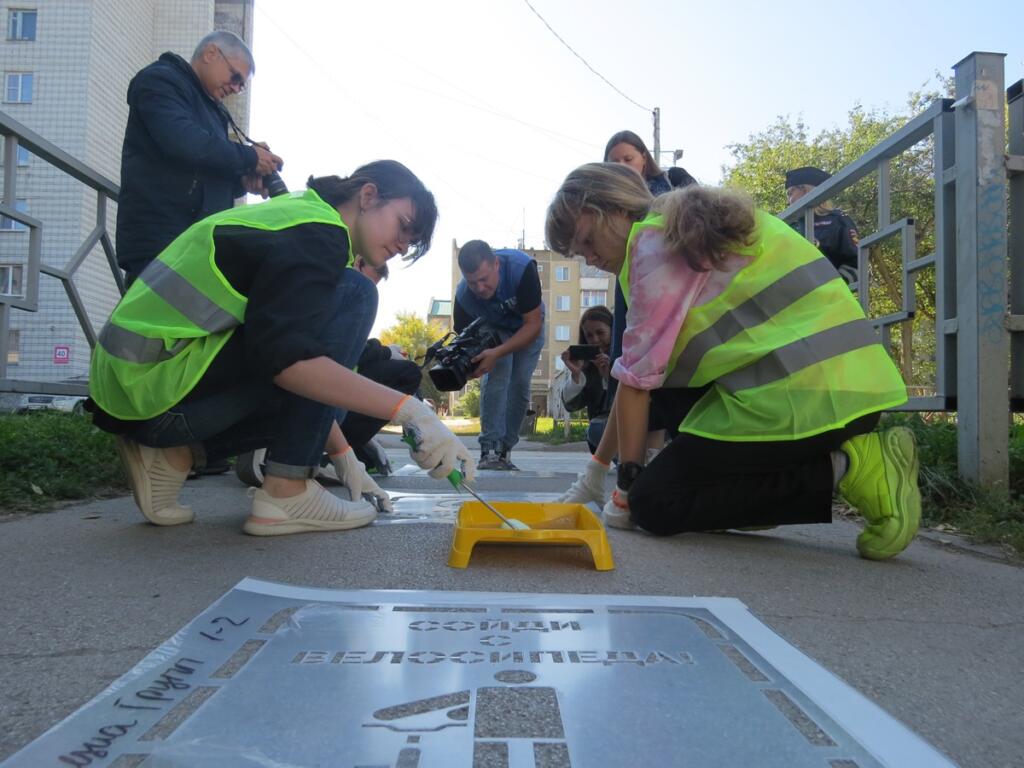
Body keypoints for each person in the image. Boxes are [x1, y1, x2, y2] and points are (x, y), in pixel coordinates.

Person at [546, 162, 920, 561]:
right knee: (664, 402)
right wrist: (595, 472)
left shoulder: (653, 249)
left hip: (815, 399)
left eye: (586, 241)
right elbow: (633, 376)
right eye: (578, 252)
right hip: (841, 386)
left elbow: (637, 384)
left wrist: (626, 489)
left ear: (615, 209)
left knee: (655, 505)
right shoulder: (677, 224)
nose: (589, 258)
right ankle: (745, 490)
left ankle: (853, 466)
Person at [88, 160, 475, 536]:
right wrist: (412, 413)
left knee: (333, 370)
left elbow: (285, 354)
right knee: (355, 295)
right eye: (404, 226)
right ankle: (286, 491)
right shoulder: (319, 233)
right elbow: (286, 360)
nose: (402, 245)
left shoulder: (301, 218)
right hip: (155, 387)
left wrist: (345, 458)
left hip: (139, 388)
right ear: (368, 195)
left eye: (411, 242)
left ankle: (176, 455)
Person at [116, 29, 284, 281]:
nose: (237, 88)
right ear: (211, 53)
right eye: (235, 76)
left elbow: (202, 171)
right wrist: (250, 158)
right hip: (162, 242)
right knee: (157, 319)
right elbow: (183, 142)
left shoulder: (209, 108)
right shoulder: (160, 81)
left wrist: (241, 183)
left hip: (193, 245)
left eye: (242, 85)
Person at [454, 240, 545, 470]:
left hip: (528, 324)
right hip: (494, 328)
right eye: (473, 282)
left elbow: (533, 324)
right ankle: (490, 450)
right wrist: (470, 368)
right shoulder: (464, 296)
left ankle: (505, 450)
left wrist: (498, 352)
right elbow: (464, 340)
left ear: (496, 264)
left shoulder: (521, 268)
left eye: (484, 279)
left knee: (520, 383)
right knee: (496, 377)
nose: (480, 288)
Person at [785, 166, 861, 284]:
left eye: (791, 193)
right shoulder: (788, 227)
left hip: (827, 296)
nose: (789, 200)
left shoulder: (837, 220)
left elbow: (856, 263)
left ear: (805, 190)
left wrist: (830, 286)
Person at [560, 306, 613, 453]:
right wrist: (576, 374)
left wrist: (609, 376)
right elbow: (571, 406)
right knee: (597, 429)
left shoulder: (626, 358)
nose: (595, 340)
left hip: (631, 426)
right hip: (602, 432)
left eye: (600, 333)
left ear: (613, 330)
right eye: (589, 335)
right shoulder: (588, 368)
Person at [604, 130, 670, 196]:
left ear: (644, 158)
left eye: (628, 159)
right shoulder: (600, 195)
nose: (621, 166)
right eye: (614, 163)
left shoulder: (667, 196)